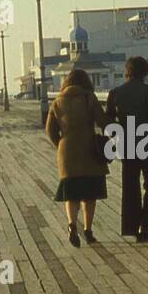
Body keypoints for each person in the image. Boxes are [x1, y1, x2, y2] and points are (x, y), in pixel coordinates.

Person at [45, 68, 108, 247]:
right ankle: (88, 231)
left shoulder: (57, 102)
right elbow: (102, 121)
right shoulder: (89, 98)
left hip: (67, 153)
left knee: (71, 193)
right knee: (90, 194)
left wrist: (61, 145)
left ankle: (72, 225)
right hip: (89, 151)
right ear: (86, 83)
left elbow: (50, 130)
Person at [106, 56, 148, 242]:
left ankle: (130, 227)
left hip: (127, 144)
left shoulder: (115, 92)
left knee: (130, 185)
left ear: (127, 71)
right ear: (144, 72)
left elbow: (108, 121)